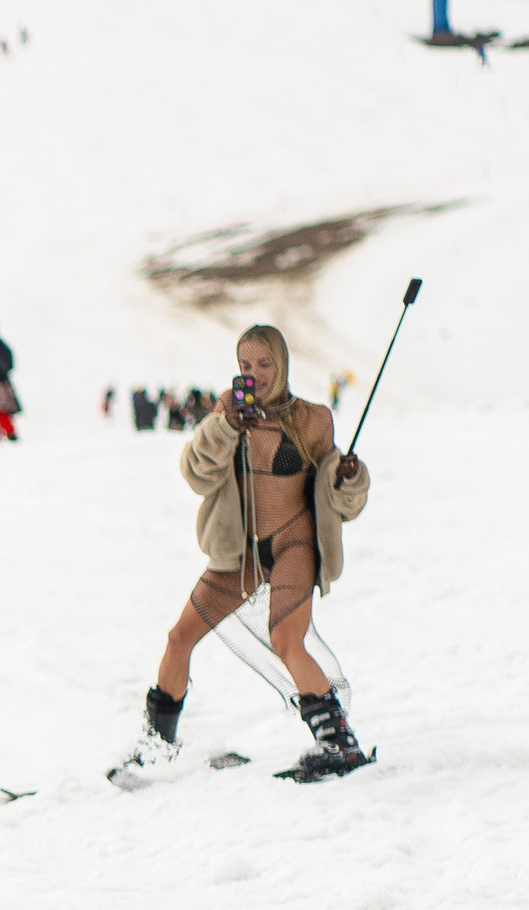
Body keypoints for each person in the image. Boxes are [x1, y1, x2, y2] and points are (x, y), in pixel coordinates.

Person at [113, 324, 373, 783]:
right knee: (179, 638)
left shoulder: (314, 419)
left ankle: (338, 743)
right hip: (244, 554)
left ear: (283, 364)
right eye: (245, 366)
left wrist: (350, 477)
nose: (254, 374)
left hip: (295, 544)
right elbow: (195, 474)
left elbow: (340, 500)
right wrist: (225, 427)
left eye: (264, 364)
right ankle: (157, 744)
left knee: (286, 641)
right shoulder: (227, 413)